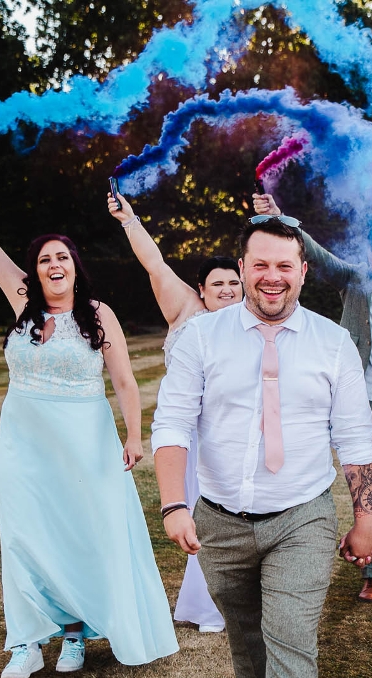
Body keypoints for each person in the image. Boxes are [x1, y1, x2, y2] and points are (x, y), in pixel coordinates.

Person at [151, 215, 372, 678]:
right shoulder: (204, 338)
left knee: (290, 636)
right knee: (246, 638)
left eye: (286, 266)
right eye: (261, 265)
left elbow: (356, 439)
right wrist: (175, 504)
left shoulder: (333, 342)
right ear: (244, 268)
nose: (272, 277)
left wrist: (366, 519)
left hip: (302, 514)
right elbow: (171, 424)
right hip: (220, 516)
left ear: (304, 271)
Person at [0, 159, 178, 678]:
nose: (53, 265)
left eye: (61, 256)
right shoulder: (22, 302)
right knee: (24, 535)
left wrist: (134, 437)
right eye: (44, 259)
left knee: (81, 535)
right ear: (35, 270)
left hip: (86, 444)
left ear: (74, 265)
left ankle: (74, 634)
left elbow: (126, 383)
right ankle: (24, 641)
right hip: (23, 443)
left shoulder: (97, 314)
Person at [252, 193, 372, 603]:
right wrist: (283, 221)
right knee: (370, 489)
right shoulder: (355, 280)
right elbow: (320, 259)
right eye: (370, 254)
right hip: (361, 402)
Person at [107, 189, 240, 634]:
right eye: (217, 283)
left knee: (235, 514)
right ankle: (206, 606)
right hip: (185, 435)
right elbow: (154, 262)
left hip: (232, 434)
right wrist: (129, 221)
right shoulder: (186, 311)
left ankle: (228, 601)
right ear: (201, 289)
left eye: (233, 283)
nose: (225, 289)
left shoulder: (250, 324)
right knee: (200, 515)